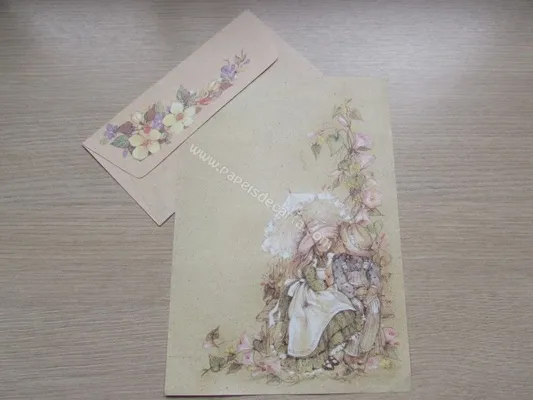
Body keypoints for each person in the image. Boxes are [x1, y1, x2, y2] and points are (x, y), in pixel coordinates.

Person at [269, 226, 363, 372]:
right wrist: (326, 284)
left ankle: (329, 353)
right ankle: (317, 355)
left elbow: (330, 275)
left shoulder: (326, 259)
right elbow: (314, 283)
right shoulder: (309, 263)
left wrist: (330, 281)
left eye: (326, 244)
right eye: (321, 245)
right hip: (309, 295)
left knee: (338, 308)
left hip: (324, 292)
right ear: (314, 247)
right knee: (314, 319)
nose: (325, 248)